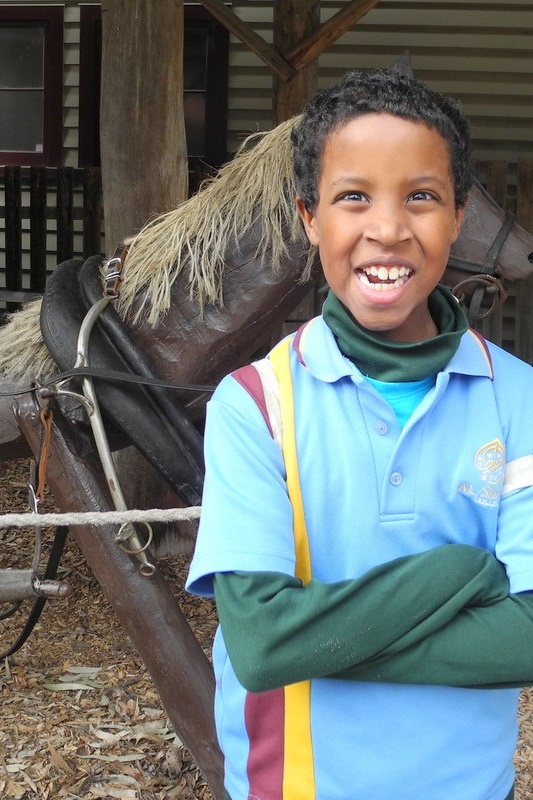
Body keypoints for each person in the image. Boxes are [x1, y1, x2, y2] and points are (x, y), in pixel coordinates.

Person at [186, 68, 533, 800]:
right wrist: (459, 574)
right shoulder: (255, 406)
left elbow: (527, 637)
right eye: (353, 197)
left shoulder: (521, 401)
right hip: (297, 786)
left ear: (457, 213)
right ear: (309, 216)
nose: (386, 228)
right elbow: (261, 643)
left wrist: (315, 641)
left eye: (420, 196)